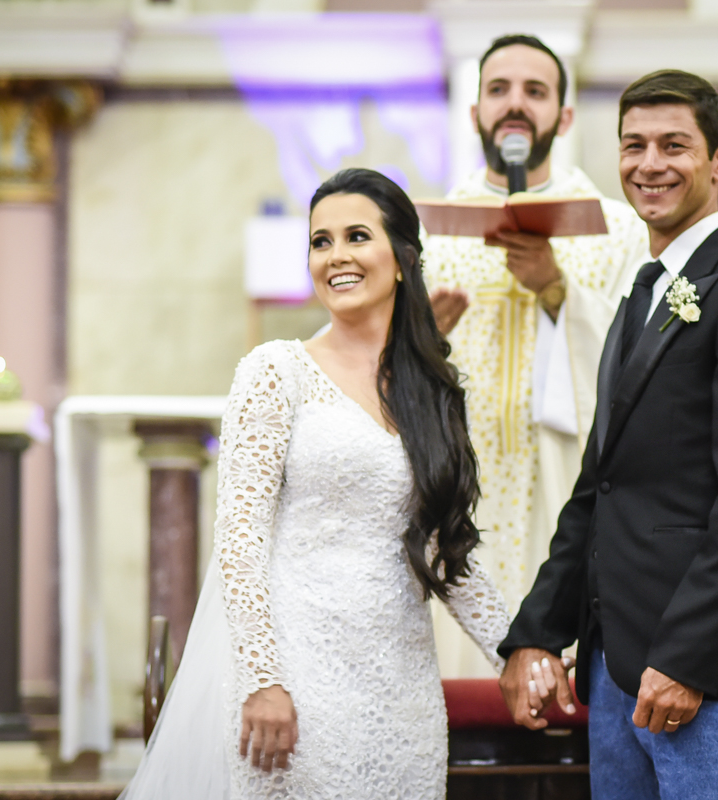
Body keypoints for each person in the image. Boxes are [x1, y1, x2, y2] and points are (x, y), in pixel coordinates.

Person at [119, 168, 510, 800]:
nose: (336, 257)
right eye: (320, 242)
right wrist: (262, 679)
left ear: (403, 259)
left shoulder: (432, 391)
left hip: (399, 689)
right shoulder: (276, 372)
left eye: (356, 236)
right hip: (296, 683)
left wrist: (515, 651)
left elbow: (443, 547)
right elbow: (240, 543)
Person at [498, 70, 718, 799]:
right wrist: (537, 633)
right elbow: (599, 489)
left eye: (675, 145)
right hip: (614, 670)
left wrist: (687, 660)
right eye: (634, 145)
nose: (650, 164)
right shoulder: (640, 295)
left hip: (698, 675)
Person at [424, 34, 649, 676]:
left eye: (535, 91)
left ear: (565, 117)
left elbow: (645, 366)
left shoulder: (616, 231)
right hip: (457, 495)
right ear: (475, 115)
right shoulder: (427, 234)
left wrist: (559, 291)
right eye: (498, 90)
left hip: (567, 491)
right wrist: (420, 343)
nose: (515, 105)